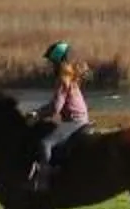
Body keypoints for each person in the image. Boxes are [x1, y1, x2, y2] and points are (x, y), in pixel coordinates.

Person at [28, 40, 88, 194]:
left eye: (52, 62)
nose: (50, 66)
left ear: (58, 62)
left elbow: (55, 108)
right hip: (81, 119)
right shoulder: (72, 76)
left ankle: (44, 181)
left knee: (45, 143)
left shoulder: (63, 80)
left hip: (74, 122)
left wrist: (37, 114)